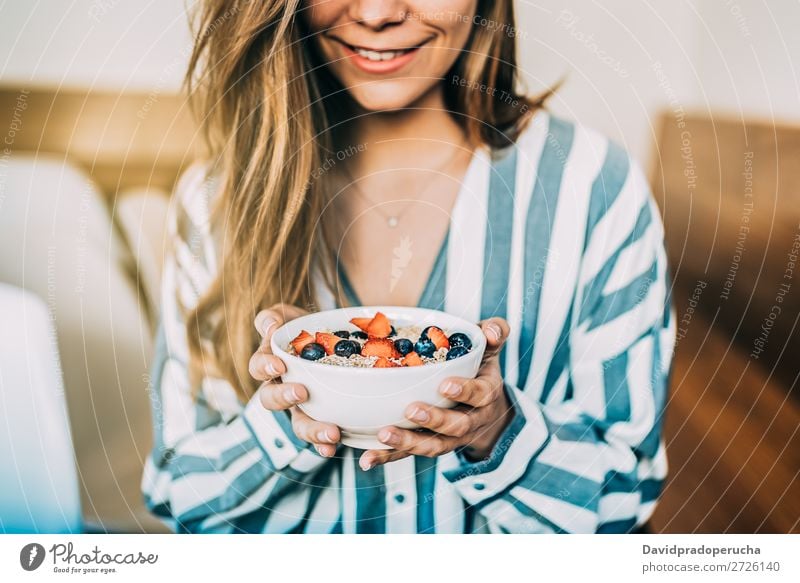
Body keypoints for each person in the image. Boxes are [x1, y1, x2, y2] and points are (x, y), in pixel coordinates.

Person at [141, 0, 675, 534]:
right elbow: (180, 491)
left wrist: (496, 431)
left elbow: (626, 498)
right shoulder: (216, 203)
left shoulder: (594, 188)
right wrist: (283, 414)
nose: (376, 13)